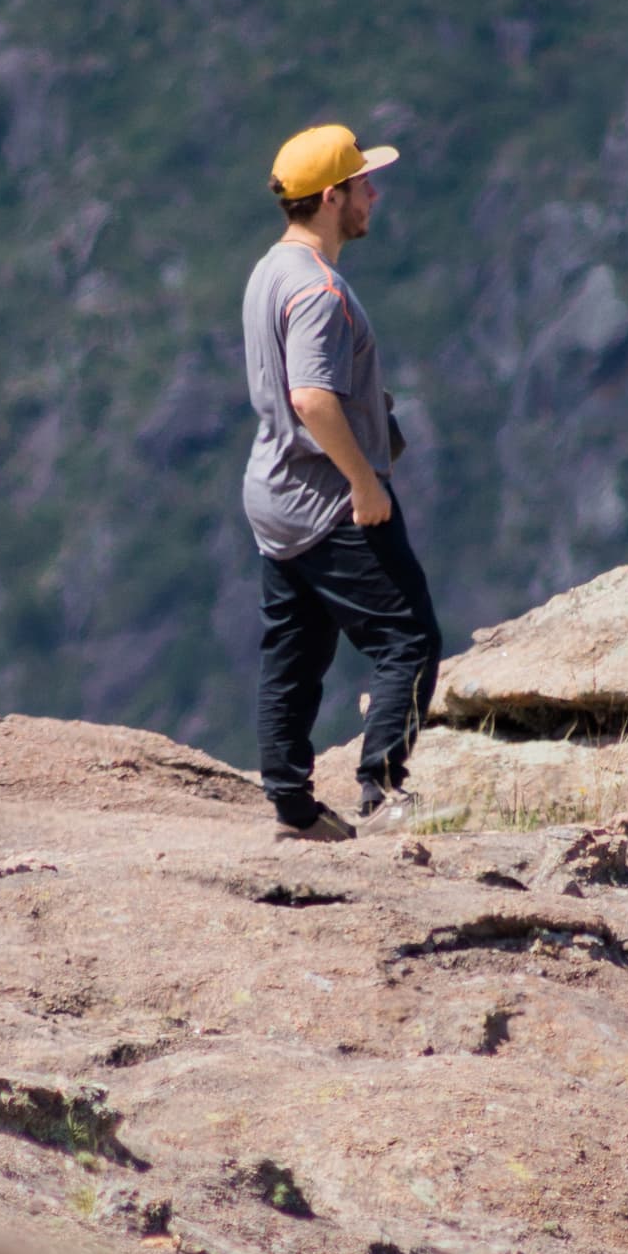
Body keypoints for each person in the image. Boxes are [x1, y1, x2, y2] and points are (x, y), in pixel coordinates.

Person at [241, 123, 445, 842]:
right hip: (330, 500)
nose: (374, 194)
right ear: (332, 198)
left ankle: (294, 804)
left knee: (293, 650)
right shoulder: (321, 290)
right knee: (410, 640)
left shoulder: (269, 269)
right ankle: (382, 792)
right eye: (363, 184)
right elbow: (313, 398)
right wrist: (364, 483)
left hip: (274, 496)